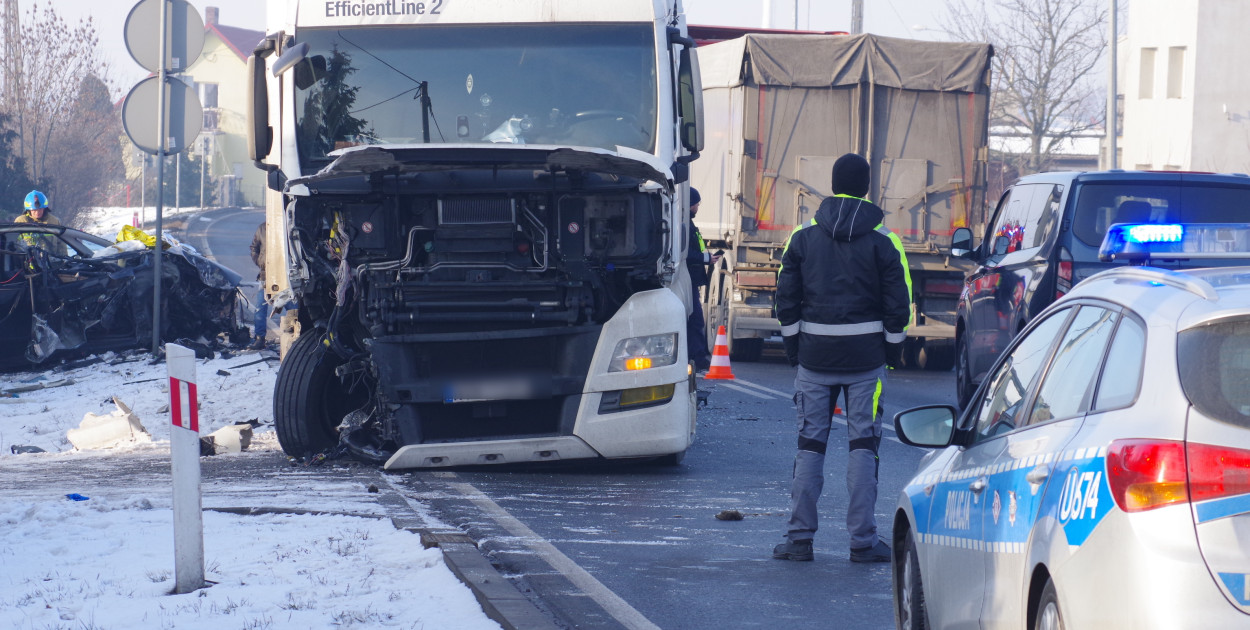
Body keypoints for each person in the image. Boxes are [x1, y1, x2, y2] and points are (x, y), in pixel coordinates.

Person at [771, 153, 912, 563]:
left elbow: (786, 299)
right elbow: (898, 302)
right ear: (867, 187)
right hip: (866, 362)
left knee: (810, 445)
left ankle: (799, 540)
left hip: (814, 360)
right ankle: (862, 542)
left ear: (833, 186)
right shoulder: (885, 240)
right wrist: (891, 351)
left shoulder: (802, 237)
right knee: (863, 446)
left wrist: (795, 348)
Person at [686, 188, 719, 372]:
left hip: (691, 278)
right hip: (688, 278)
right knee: (696, 319)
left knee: (694, 319)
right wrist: (705, 259)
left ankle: (695, 356)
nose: (698, 207)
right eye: (696, 203)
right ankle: (697, 357)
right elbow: (685, 252)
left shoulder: (688, 223)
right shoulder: (685, 224)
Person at [14, 190, 66, 255]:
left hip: (50, 263)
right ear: (29, 210)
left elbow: (61, 245)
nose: (37, 213)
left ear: (44, 208)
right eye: (34, 210)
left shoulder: (54, 222)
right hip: (25, 263)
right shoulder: (20, 221)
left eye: (40, 209)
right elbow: (14, 243)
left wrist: (64, 260)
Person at [249, 221, 269, 350]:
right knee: (260, 309)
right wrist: (260, 262)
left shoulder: (288, 226)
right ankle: (259, 338)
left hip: (287, 275)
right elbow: (254, 247)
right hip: (265, 275)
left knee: (293, 308)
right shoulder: (262, 228)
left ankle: (299, 336)